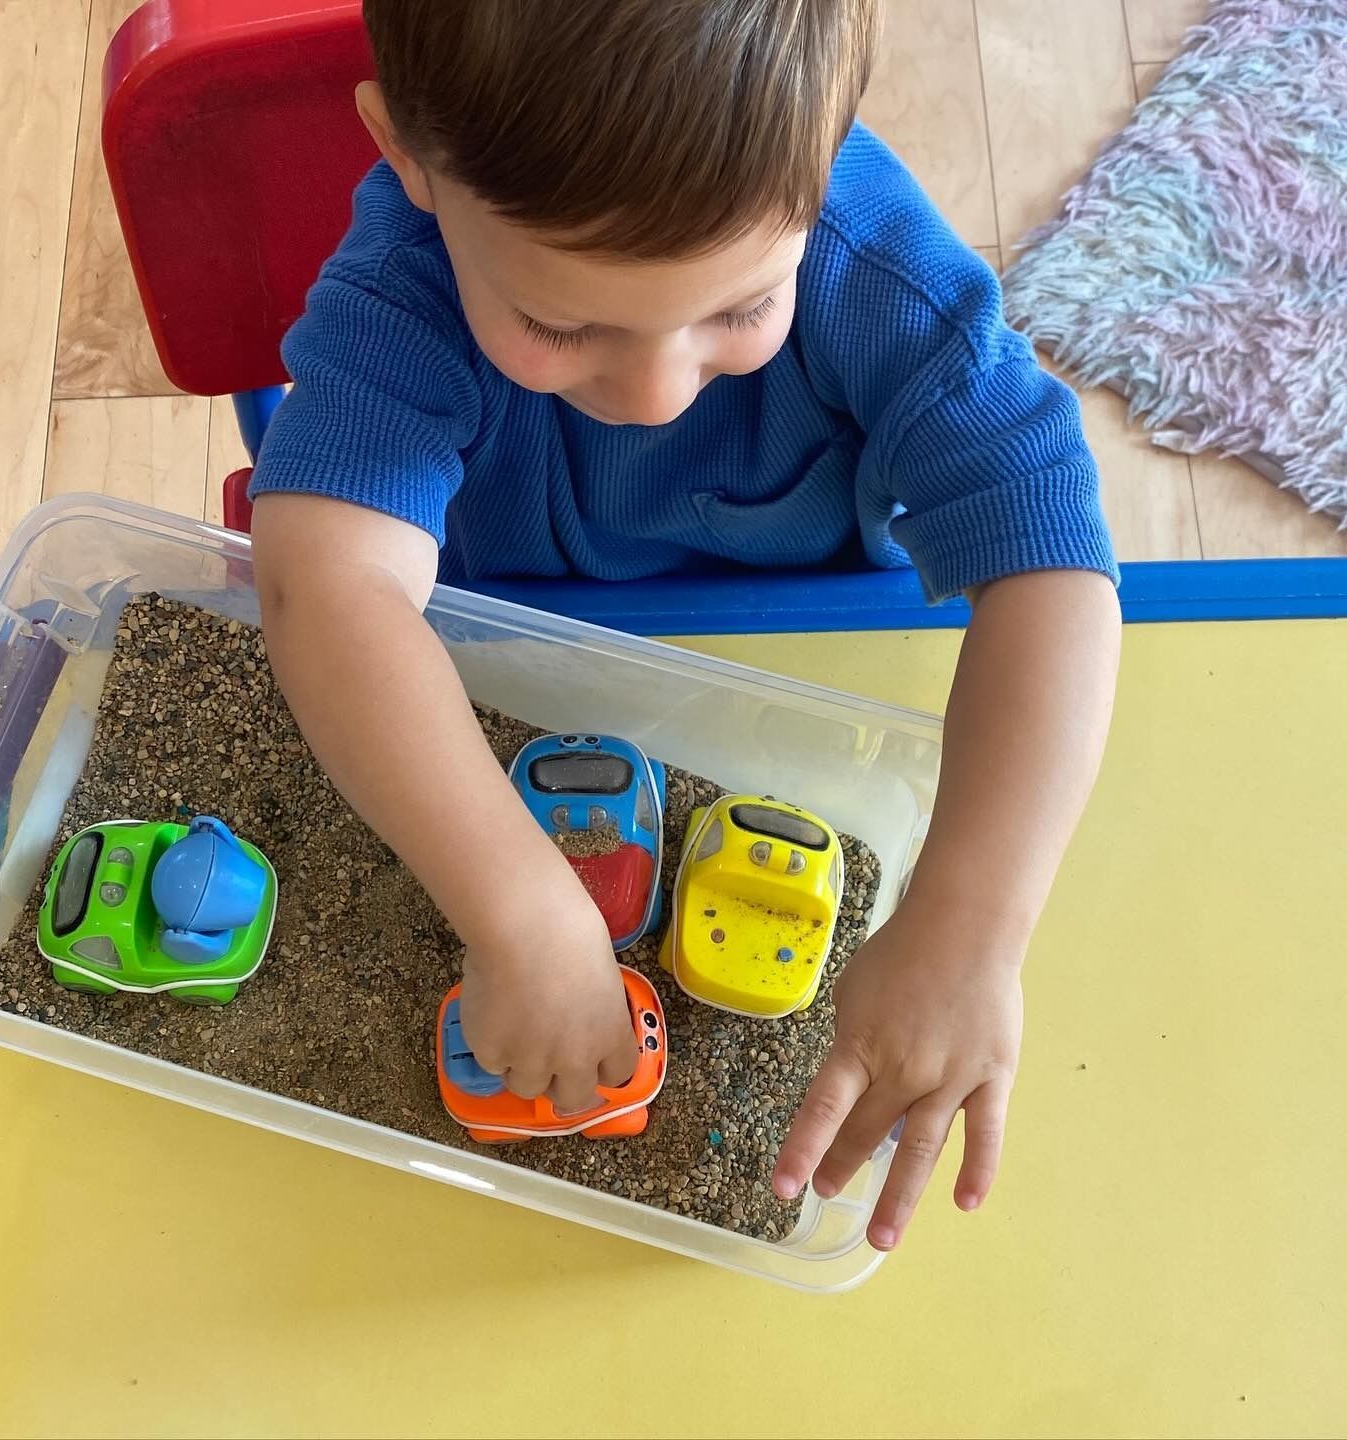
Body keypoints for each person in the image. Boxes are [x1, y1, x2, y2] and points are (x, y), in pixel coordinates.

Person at [248, 0, 1121, 1252]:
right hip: (515, 656)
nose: (656, 390)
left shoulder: (868, 265)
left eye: (742, 307)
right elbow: (320, 585)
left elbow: (1053, 554)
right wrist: (523, 911)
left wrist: (972, 926)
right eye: (560, 323)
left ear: (825, 155)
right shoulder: (406, 287)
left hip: (806, 665)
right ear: (412, 161)